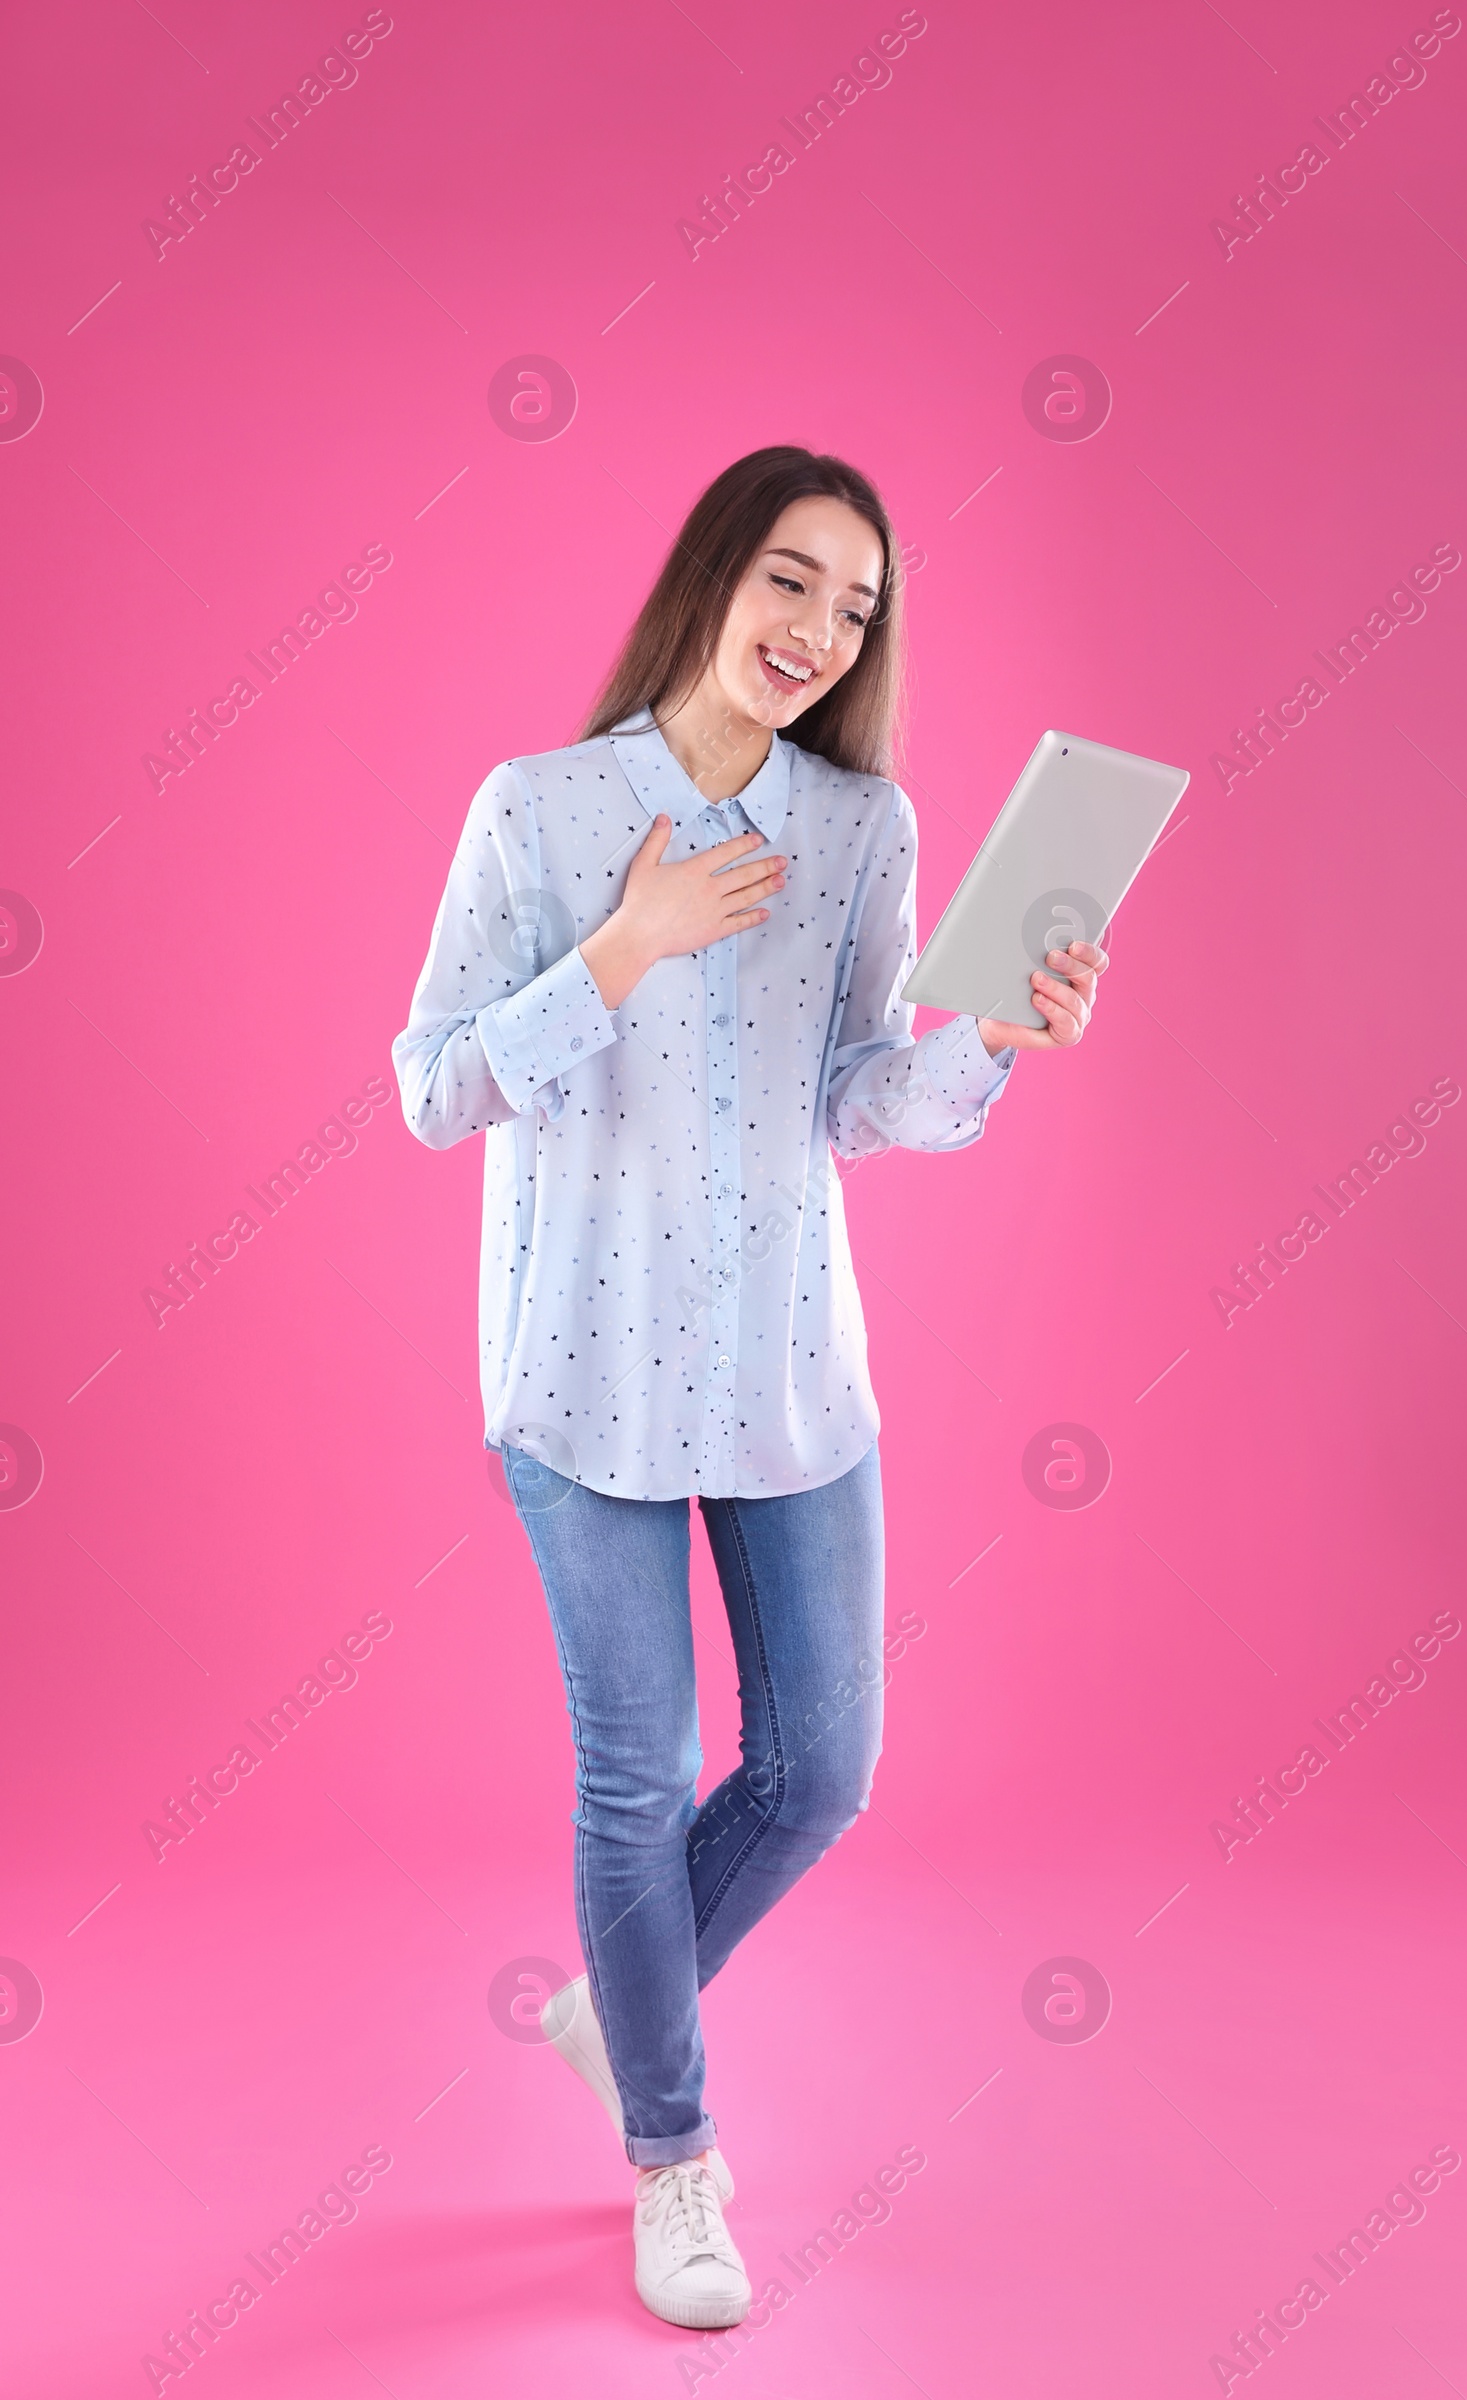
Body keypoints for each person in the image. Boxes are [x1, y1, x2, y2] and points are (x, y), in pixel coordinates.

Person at [391, 445, 1108, 2329]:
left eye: (854, 606)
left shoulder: (863, 834)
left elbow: (857, 1097)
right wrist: (623, 947)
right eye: (791, 580)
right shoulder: (537, 814)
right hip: (580, 1373)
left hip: (791, 1367)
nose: (815, 630)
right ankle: (673, 2152)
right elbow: (432, 1088)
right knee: (636, 1783)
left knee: (824, 1770)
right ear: (714, 573)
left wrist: (999, 1042)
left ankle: (613, 2002)